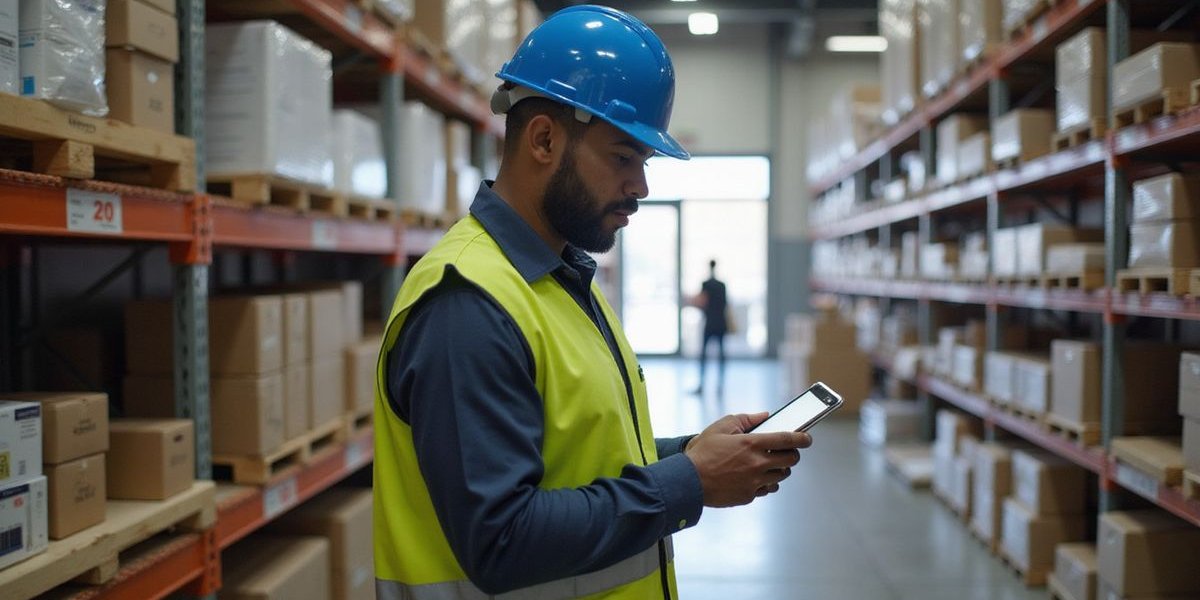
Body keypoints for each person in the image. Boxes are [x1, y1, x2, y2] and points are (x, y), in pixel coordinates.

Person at [373, 6, 813, 599]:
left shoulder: (565, 282)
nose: (641, 187)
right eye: (622, 158)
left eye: (644, 162)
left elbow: (577, 454)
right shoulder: (469, 305)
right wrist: (689, 483)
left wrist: (693, 455)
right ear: (545, 139)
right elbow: (500, 541)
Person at [693, 259, 729, 395]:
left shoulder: (706, 284)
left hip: (709, 323)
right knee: (721, 354)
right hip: (720, 322)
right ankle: (720, 385)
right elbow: (725, 304)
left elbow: (702, 302)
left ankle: (701, 385)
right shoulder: (722, 285)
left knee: (703, 355)